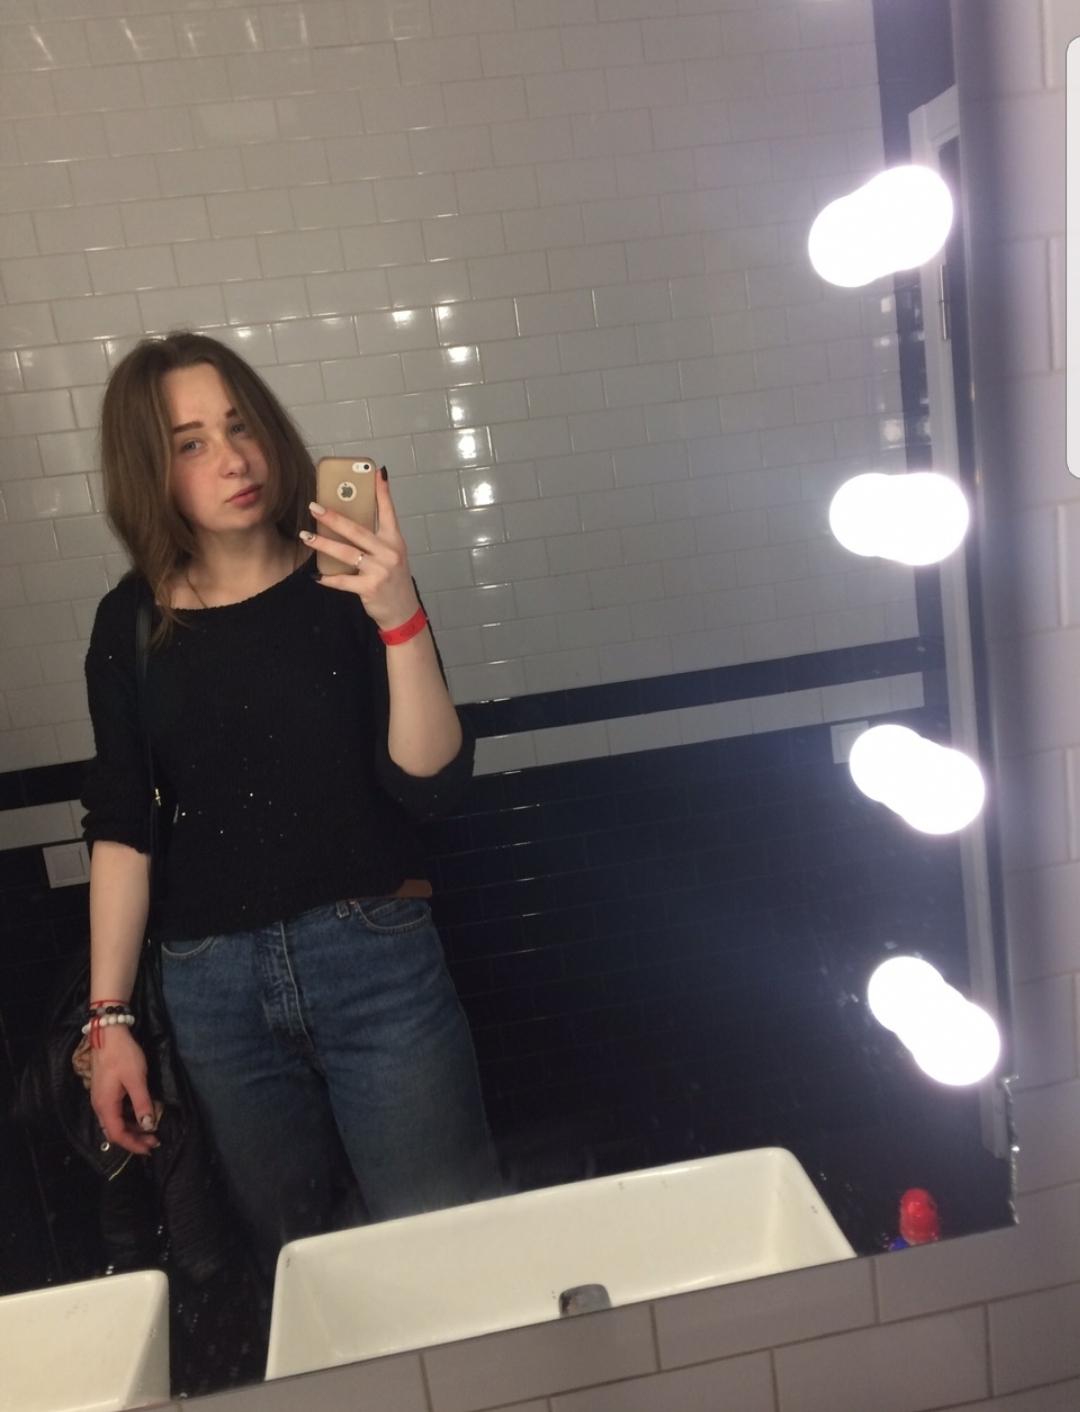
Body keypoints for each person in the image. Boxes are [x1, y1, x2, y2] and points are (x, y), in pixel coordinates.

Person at [80, 330, 499, 1281]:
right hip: (212, 992)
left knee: (452, 1255)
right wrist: (110, 1022)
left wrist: (397, 612)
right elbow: (123, 828)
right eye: (190, 443)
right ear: (150, 471)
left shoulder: (349, 578)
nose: (233, 459)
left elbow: (432, 783)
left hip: (376, 963)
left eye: (240, 426)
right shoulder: (130, 623)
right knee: (310, 1269)